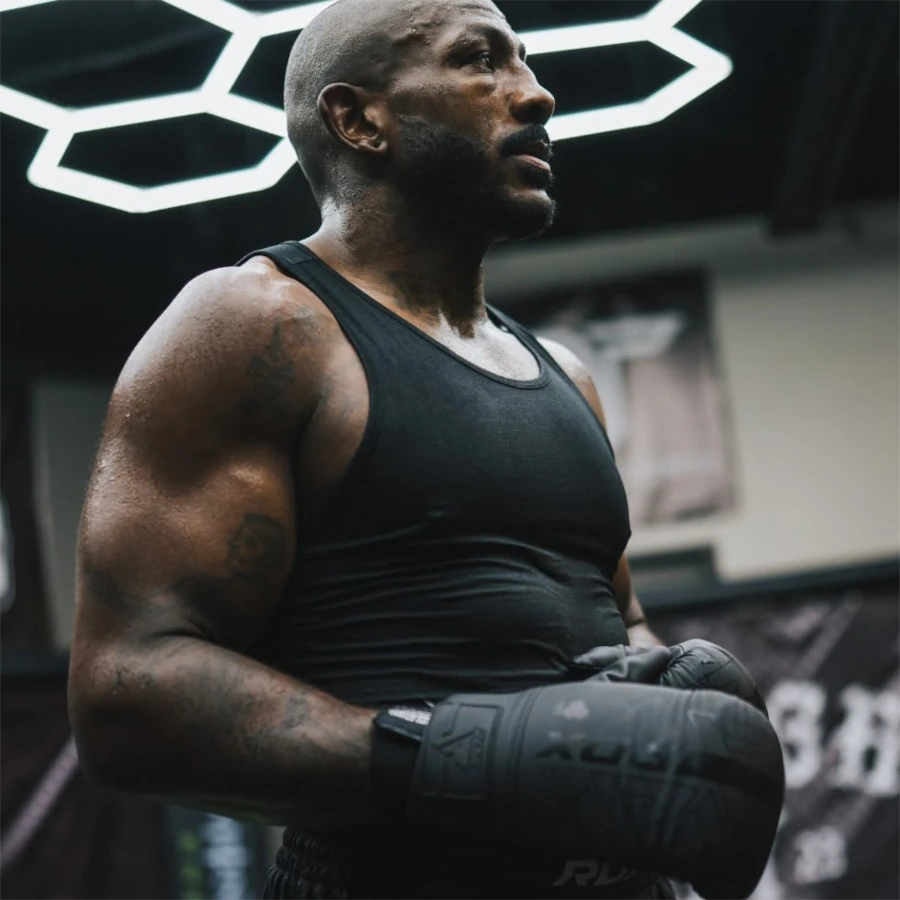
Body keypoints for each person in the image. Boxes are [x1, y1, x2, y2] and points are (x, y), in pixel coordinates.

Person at [68, 1, 783, 898]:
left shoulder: (562, 371)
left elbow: (613, 617)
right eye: (480, 61)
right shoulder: (258, 326)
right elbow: (125, 696)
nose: (537, 95)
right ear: (359, 119)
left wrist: (672, 685)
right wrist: (444, 755)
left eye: (525, 60)